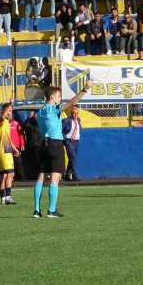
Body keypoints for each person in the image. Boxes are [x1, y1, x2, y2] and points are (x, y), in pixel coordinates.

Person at [34, 81, 92, 217]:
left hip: (43, 145)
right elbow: (72, 103)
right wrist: (85, 89)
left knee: (41, 178)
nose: (60, 98)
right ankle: (51, 210)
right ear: (52, 97)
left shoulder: (40, 111)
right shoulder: (53, 109)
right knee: (55, 178)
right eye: (59, 96)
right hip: (55, 144)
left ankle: (37, 210)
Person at [0, 102, 18, 205]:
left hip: (7, 150)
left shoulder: (7, 122)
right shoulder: (0, 120)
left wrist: (15, 149)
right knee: (9, 173)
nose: (9, 113)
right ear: (3, 111)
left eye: (11, 111)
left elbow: (8, 138)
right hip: (3, 151)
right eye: (8, 111)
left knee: (5, 175)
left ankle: (3, 198)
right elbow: (3, 115)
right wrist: (10, 104)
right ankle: (8, 197)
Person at [61, 105, 82, 182]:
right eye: (74, 113)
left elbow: (79, 129)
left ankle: (67, 175)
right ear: (71, 114)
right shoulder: (66, 120)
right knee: (73, 158)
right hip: (69, 141)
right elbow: (61, 129)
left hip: (76, 141)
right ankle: (74, 175)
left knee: (72, 159)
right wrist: (64, 138)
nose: (75, 115)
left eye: (76, 113)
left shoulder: (78, 120)